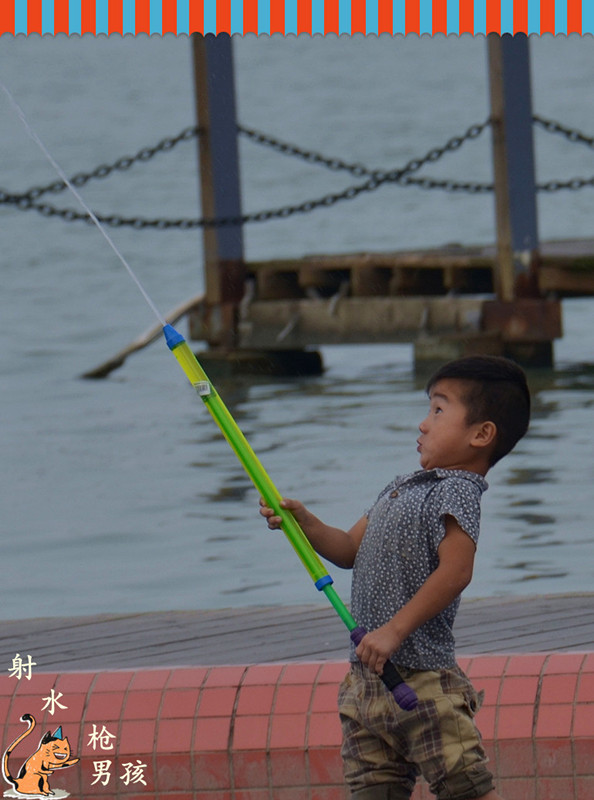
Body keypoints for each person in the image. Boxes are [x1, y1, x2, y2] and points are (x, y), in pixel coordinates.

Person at [259, 355, 531, 800]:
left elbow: (457, 571)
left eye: (439, 411)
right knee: (372, 790)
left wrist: (392, 631)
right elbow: (348, 550)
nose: (423, 424)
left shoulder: (457, 490)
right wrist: (305, 522)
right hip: (367, 682)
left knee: (465, 788)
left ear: (481, 435)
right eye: (428, 409)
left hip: (421, 679)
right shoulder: (400, 487)